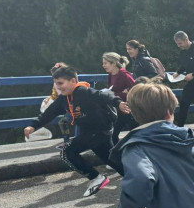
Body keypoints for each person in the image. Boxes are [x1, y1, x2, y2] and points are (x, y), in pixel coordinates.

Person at [25, 66, 128, 197]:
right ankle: (140, 181)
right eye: (56, 84)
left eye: (61, 83)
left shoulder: (83, 92)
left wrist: (118, 102)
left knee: (67, 152)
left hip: (98, 131)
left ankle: (96, 178)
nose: (58, 87)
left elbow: (103, 95)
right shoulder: (64, 99)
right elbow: (49, 113)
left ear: (73, 81)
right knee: (112, 161)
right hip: (96, 133)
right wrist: (33, 126)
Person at [102, 52, 137, 144]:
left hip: (128, 109)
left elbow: (135, 90)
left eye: (105, 63)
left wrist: (120, 94)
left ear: (113, 63)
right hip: (117, 109)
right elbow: (112, 90)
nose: (103, 65)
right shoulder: (110, 74)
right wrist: (119, 93)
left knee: (135, 132)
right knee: (113, 135)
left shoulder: (125, 75)